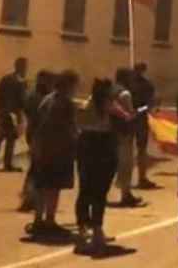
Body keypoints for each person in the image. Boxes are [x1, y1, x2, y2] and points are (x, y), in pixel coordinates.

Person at [76, 75, 135, 255]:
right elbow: (127, 119)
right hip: (104, 146)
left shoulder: (86, 104)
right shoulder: (110, 106)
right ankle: (97, 231)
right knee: (100, 192)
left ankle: (82, 229)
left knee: (85, 189)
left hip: (85, 145)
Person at [28, 70, 80, 238]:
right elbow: (70, 128)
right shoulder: (66, 103)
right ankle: (50, 221)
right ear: (69, 86)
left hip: (42, 149)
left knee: (42, 186)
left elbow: (36, 123)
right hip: (58, 150)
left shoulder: (47, 99)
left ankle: (38, 220)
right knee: (53, 187)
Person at [20, 70, 56, 212]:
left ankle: (30, 197)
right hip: (38, 135)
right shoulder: (38, 97)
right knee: (37, 168)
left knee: (35, 168)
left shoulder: (35, 96)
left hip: (35, 134)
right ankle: (30, 198)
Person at [0, 57, 28, 172]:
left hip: (3, 112)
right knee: (10, 138)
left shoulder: (6, 79)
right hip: (12, 114)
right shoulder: (20, 82)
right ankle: (7, 164)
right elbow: (22, 100)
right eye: (24, 67)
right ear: (21, 68)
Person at [112, 70, 143, 207]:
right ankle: (125, 194)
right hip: (124, 133)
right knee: (126, 164)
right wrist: (140, 111)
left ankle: (125, 193)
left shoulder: (111, 91)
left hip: (111, 133)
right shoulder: (125, 94)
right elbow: (129, 115)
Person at [131, 63, 157, 190]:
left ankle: (136, 178)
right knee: (140, 150)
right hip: (139, 118)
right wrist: (139, 111)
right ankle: (141, 178)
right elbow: (150, 105)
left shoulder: (129, 83)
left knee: (133, 150)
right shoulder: (147, 85)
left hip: (129, 118)